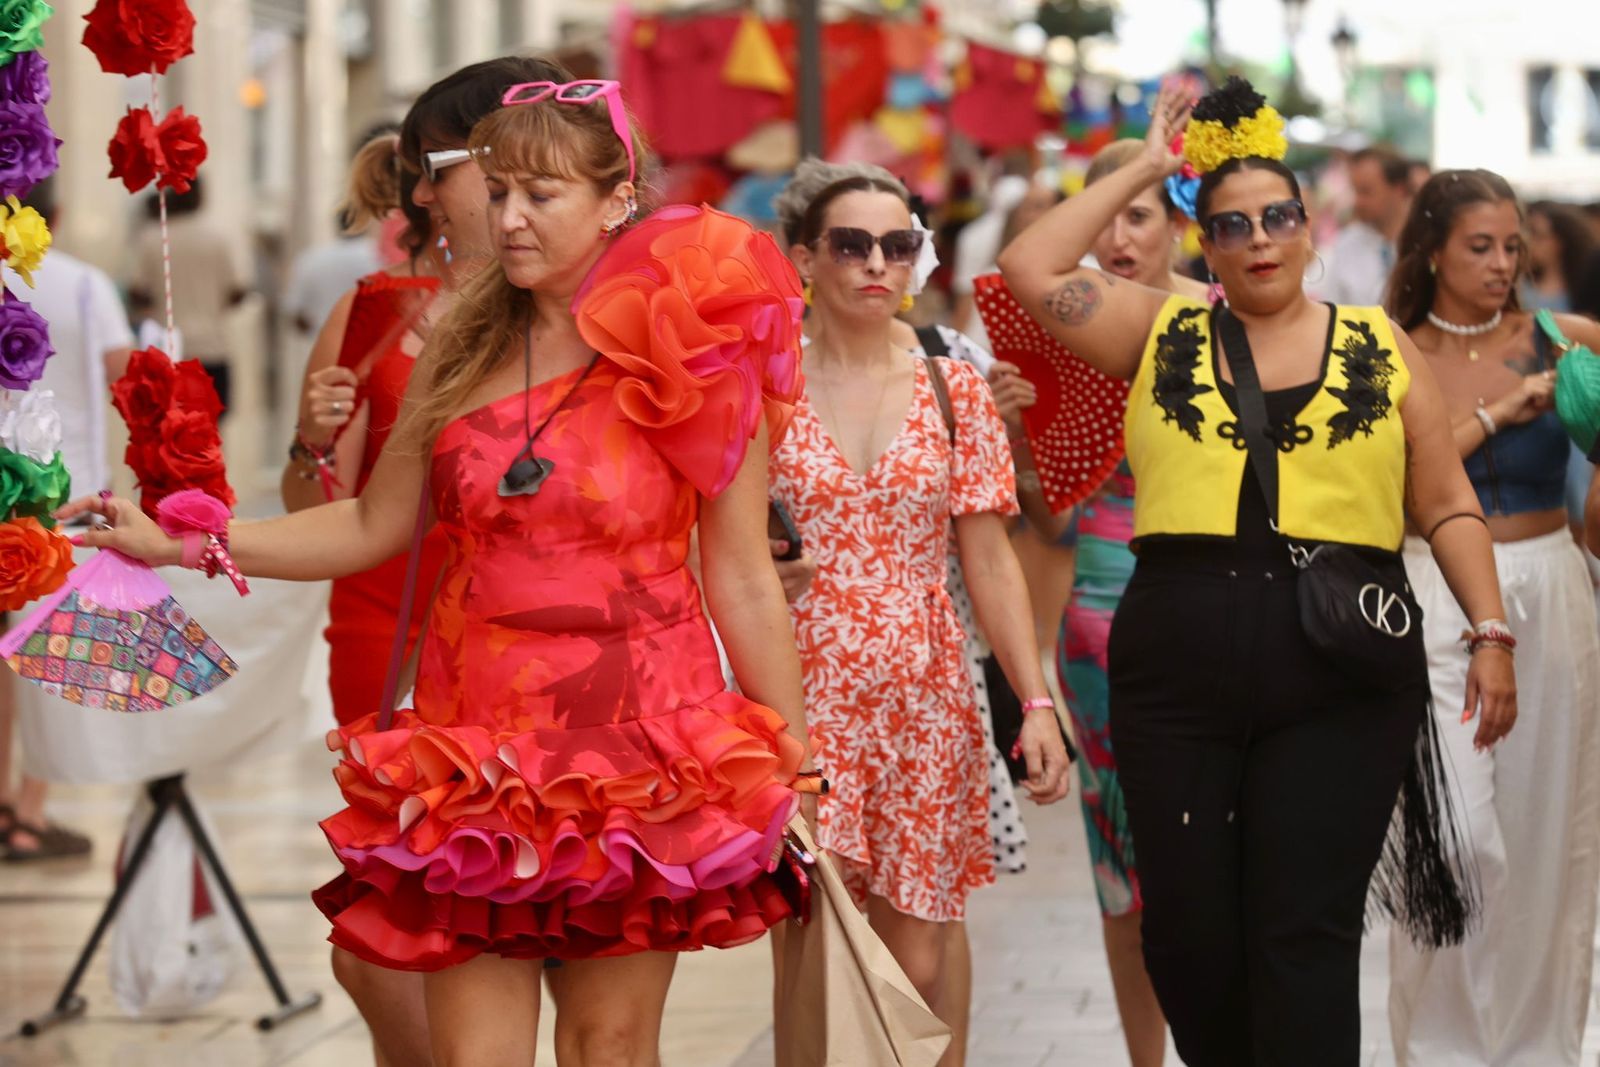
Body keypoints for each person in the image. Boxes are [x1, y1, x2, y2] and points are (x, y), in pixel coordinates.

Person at [69, 75, 815, 1066]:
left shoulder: (690, 352)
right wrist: (185, 540)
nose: (507, 218)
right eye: (498, 190)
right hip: (474, 745)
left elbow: (742, 575)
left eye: (539, 196)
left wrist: (791, 757)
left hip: (639, 752)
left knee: (613, 1044)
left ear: (615, 199)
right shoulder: (457, 346)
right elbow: (373, 524)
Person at [999, 76, 1512, 1064]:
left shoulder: (1378, 345)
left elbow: (1445, 501)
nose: (1260, 236)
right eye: (1232, 223)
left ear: (1309, 225)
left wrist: (1490, 628)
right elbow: (1030, 262)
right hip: (1178, 667)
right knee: (1187, 937)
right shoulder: (1162, 332)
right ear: (1207, 242)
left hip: (1340, 675)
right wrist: (1150, 166)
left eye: (1279, 215)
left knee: (1301, 932)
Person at [281, 55, 571, 1067]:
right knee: (385, 936)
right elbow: (326, 503)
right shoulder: (379, 310)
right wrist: (315, 441)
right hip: (386, 626)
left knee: (535, 909)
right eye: (488, 166)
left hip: (535, 633)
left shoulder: (591, 315)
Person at [769, 163, 1072, 1066]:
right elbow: (722, 542)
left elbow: (989, 557)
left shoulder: (955, 387)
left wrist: (1037, 699)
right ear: (804, 260)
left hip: (928, 697)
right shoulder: (763, 388)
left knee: (922, 954)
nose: (876, 263)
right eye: (850, 244)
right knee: (812, 946)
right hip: (800, 696)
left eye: (897, 244)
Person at [1384, 169, 1600, 1067]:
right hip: (1433, 584)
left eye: (1513, 245)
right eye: (1480, 246)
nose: (1502, 263)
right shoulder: (1388, 350)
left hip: (1553, 584)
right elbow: (1392, 492)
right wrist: (1497, 412)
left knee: (1553, 829)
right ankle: (1439, 1050)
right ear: (1431, 248)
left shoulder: (1569, 340)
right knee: (1456, 837)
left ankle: (1539, 1049)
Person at [1025, 137, 1211, 1067]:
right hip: (1102, 631)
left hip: (1221, 614)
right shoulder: (1061, 334)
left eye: (1137, 213)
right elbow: (1052, 527)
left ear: (1177, 221)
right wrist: (1023, 443)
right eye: (1100, 217)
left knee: (1219, 868)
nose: (1118, 236)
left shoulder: (1227, 322)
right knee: (1124, 879)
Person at [0, 176, 132, 862]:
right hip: (64, 495)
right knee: (41, 657)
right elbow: (125, 376)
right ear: (57, 212)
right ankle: (25, 812)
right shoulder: (84, 284)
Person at [129, 176, 248, 411]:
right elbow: (238, 291)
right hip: (213, 349)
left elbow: (136, 292)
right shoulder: (218, 238)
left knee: (166, 431)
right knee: (210, 432)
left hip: (168, 350)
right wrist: (214, 303)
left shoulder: (152, 238)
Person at [1321, 145, 1414, 305]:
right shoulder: (1346, 243)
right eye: (1355, 190)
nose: (1357, 201)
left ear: (1399, 189)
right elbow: (1331, 308)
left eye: (1366, 191)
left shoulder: (1427, 243)